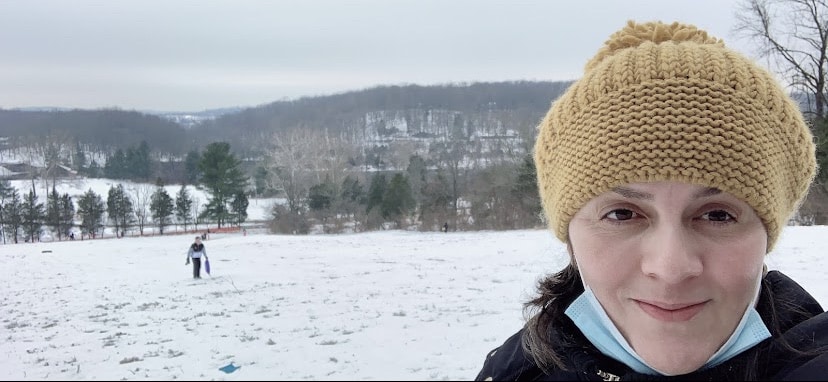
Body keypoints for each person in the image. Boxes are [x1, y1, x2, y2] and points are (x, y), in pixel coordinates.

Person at [475, 20, 827, 380]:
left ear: (766, 236)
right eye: (623, 214)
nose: (671, 269)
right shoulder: (513, 372)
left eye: (718, 215)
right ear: (571, 241)